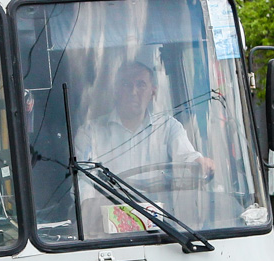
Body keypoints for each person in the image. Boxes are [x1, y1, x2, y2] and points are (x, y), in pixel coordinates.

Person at [77, 58, 213, 180]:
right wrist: (92, 203)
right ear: (116, 91)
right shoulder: (90, 133)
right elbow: (81, 182)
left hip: (159, 207)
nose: (133, 92)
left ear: (153, 92)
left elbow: (186, 157)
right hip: (106, 207)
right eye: (126, 84)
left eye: (141, 85)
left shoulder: (168, 127)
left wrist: (199, 162)